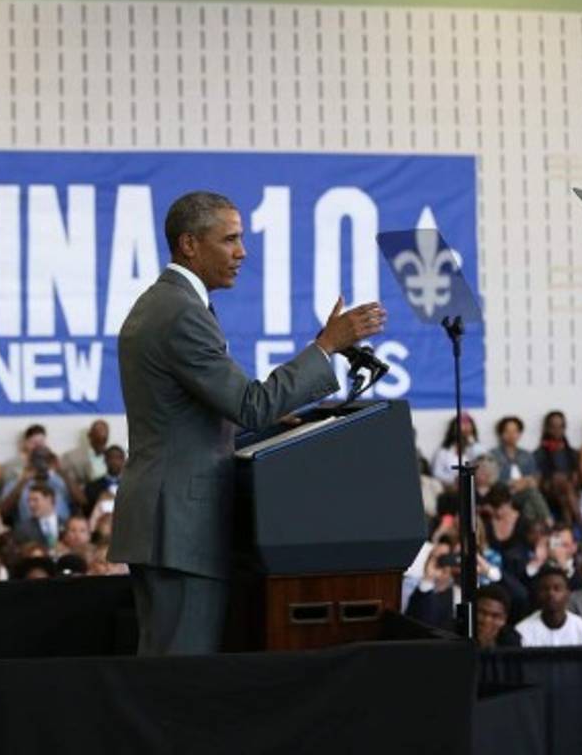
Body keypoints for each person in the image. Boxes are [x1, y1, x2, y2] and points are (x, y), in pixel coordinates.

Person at [108, 191, 380, 655]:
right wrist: (326, 347)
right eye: (230, 239)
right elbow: (252, 404)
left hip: (167, 519)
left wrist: (278, 423)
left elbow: (190, 417)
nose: (242, 252)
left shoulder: (166, 304)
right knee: (180, 681)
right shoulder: (180, 314)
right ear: (190, 244)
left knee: (167, 673)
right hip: (179, 525)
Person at [514, 564, 582, 647]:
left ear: (567, 594)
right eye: (545, 589)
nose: (551, 594)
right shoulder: (523, 631)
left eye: (557, 589)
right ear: (538, 594)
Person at [535, 411, 580, 525]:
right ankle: (581, 522)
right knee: (561, 481)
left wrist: (571, 479)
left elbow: (577, 476)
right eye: (553, 426)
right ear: (547, 428)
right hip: (548, 488)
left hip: (568, 491)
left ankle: (569, 527)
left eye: (560, 426)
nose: (557, 430)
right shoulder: (539, 453)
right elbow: (538, 479)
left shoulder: (572, 452)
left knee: (564, 496)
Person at [61, 419, 111, 508]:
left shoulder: (114, 457)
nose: (101, 443)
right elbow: (69, 482)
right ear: (89, 435)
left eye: (104, 439)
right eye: (97, 439)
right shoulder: (71, 457)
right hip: (84, 501)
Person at [431, 415, 487, 485]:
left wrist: (472, 442)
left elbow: (484, 463)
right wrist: (454, 479)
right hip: (451, 486)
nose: (466, 427)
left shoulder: (478, 447)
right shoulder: (444, 451)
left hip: (475, 484)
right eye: (463, 425)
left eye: (469, 425)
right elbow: (437, 472)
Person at [474, 584, 520, 649]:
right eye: (482, 613)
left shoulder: (512, 642)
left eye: (495, 616)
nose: (487, 620)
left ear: (504, 619)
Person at [84, 445, 125, 515]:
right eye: (111, 458)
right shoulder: (92, 486)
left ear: (124, 461)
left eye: (118, 458)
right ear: (105, 460)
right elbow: (88, 509)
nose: (114, 462)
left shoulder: (133, 485)